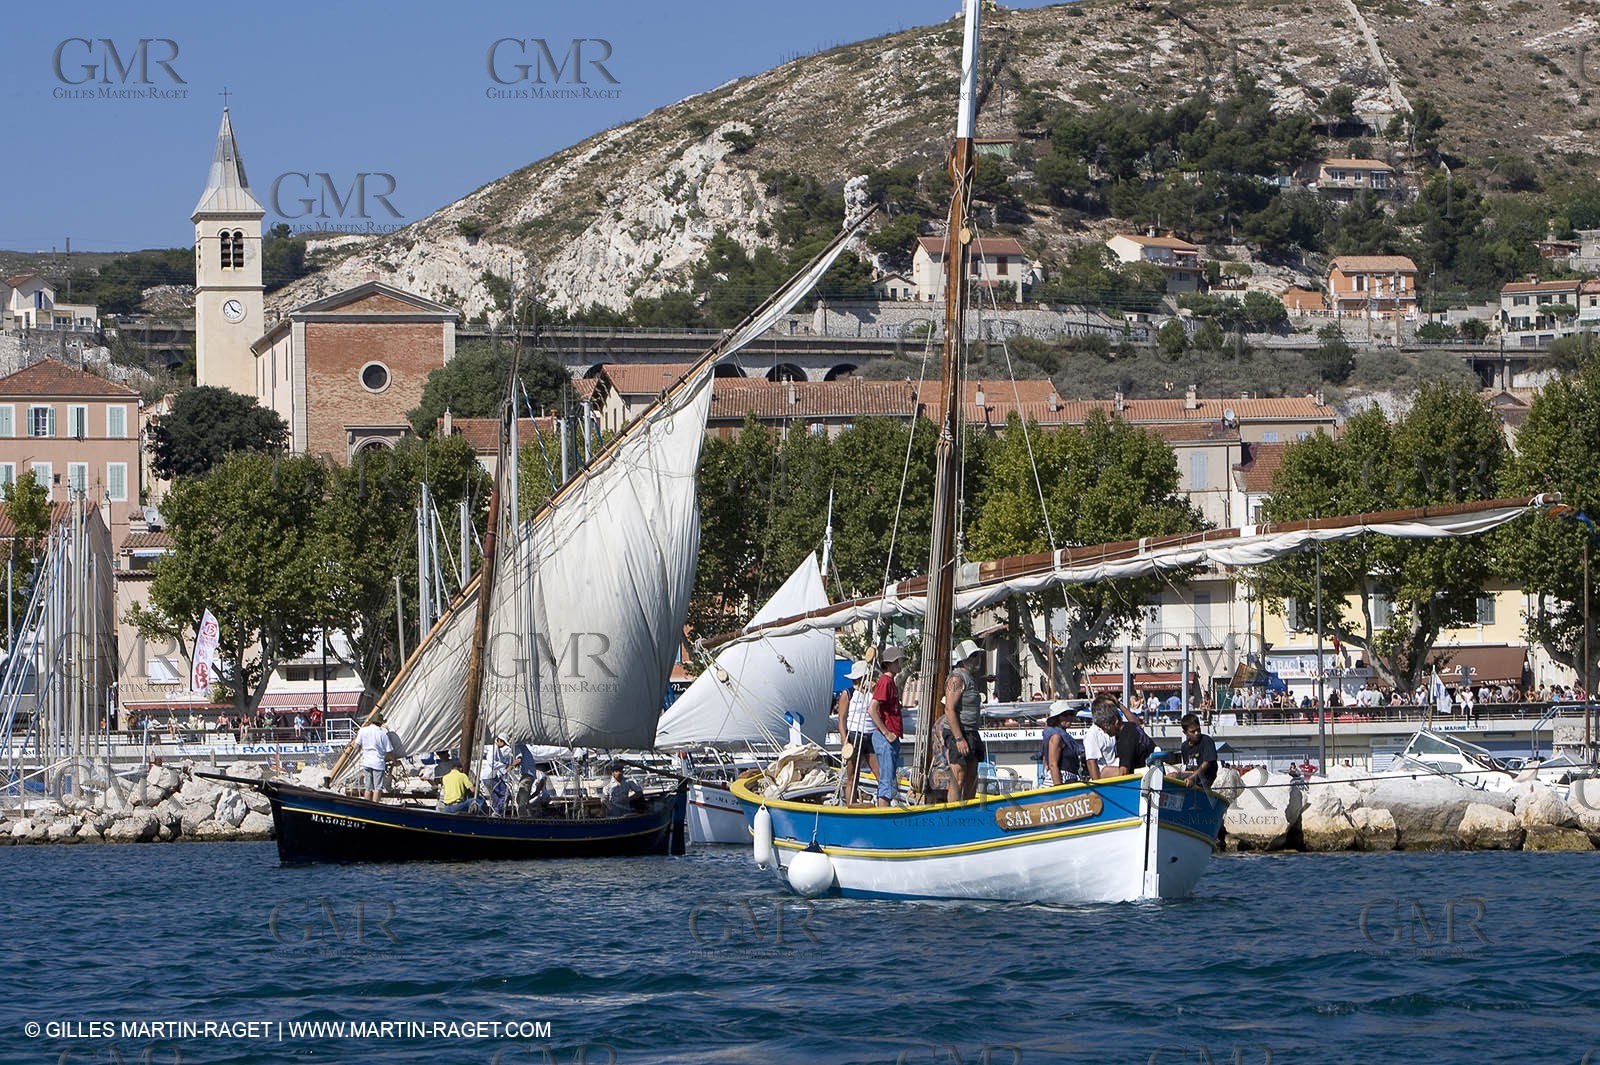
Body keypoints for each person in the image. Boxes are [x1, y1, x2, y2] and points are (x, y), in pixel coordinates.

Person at [942, 640, 987, 802]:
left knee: (972, 777)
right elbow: (949, 709)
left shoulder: (970, 678)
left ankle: (967, 809)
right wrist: (959, 738)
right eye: (974, 656)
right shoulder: (956, 679)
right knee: (958, 777)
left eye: (977, 656)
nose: (977, 659)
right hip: (959, 732)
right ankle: (953, 812)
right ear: (964, 659)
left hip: (971, 731)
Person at [867, 645, 907, 807]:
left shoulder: (890, 682)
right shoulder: (885, 682)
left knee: (889, 779)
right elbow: (872, 709)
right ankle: (883, 813)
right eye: (898, 661)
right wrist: (887, 732)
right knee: (886, 781)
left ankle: (884, 810)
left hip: (890, 737)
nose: (901, 664)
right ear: (890, 664)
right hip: (886, 738)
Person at [837, 659, 878, 805]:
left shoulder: (873, 693)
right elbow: (841, 719)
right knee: (853, 776)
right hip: (854, 735)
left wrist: (873, 689)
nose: (856, 682)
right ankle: (851, 805)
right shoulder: (848, 694)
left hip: (871, 735)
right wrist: (844, 740)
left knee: (879, 774)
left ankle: (881, 804)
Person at [1040, 702, 1085, 786]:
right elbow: (1052, 765)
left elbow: (1045, 760)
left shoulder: (1061, 736)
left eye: (1071, 714)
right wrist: (1059, 789)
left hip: (1069, 780)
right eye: (1065, 715)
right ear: (1056, 718)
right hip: (1060, 781)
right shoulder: (1056, 737)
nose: (1069, 718)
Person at [355, 712, 395, 801]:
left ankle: (367, 806)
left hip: (366, 762)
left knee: (368, 788)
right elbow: (389, 751)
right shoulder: (382, 734)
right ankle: (375, 805)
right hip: (378, 763)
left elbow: (356, 746)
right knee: (378, 788)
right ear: (380, 723)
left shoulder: (363, 730)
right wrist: (394, 761)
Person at [1084, 698, 1125, 781]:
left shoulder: (1112, 728)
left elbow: (1135, 725)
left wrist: (1120, 705)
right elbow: (1091, 762)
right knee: (1128, 770)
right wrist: (1098, 785)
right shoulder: (1092, 733)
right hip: (1103, 772)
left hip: (1114, 765)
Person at [1176, 712, 1218, 788]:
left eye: (1198, 729)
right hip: (1192, 774)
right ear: (1185, 732)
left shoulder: (1206, 741)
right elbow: (1188, 766)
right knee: (1171, 775)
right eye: (1192, 731)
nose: (1197, 733)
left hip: (1205, 777)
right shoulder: (1184, 746)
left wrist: (1192, 778)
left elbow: (1206, 763)